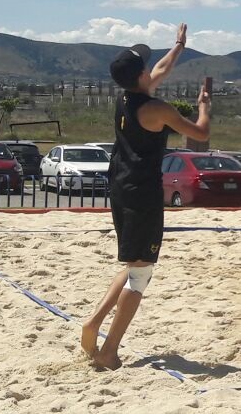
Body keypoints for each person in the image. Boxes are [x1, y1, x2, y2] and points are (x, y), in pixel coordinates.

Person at [81, 23, 211, 370]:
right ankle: (108, 350)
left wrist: (179, 46)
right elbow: (200, 134)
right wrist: (204, 107)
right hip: (143, 194)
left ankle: (94, 323)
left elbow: (160, 69)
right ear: (139, 75)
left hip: (121, 186)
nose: (152, 69)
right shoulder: (157, 109)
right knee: (141, 274)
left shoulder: (126, 96)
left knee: (133, 263)